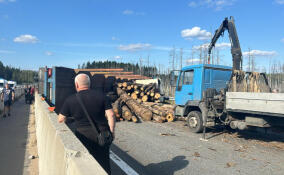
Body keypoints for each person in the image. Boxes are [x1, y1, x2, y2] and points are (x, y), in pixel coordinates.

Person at [58, 73, 116, 174]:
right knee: (104, 163)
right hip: (103, 134)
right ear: (89, 84)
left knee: (86, 164)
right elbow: (111, 115)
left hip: (83, 136)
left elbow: (61, 119)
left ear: (76, 85)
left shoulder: (70, 100)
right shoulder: (102, 96)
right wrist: (112, 131)